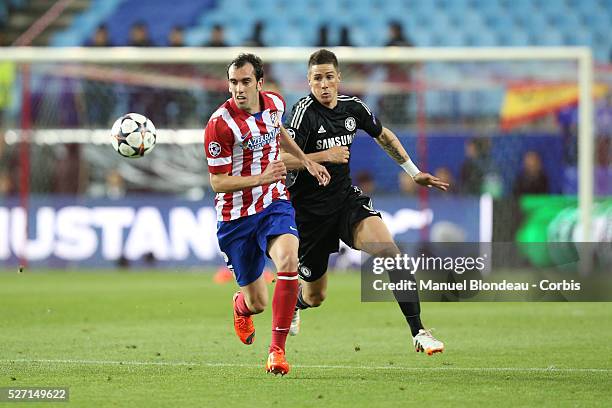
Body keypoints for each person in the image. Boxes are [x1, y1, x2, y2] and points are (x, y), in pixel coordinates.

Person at [281, 49, 449, 355]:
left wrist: (413, 172)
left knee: (391, 252)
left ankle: (419, 331)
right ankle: (296, 302)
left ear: (339, 78)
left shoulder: (353, 108)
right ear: (309, 81)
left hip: (346, 202)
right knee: (316, 296)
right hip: (310, 215)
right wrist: (323, 157)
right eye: (317, 78)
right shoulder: (302, 114)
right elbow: (280, 160)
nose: (324, 84)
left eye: (329, 77)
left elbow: (384, 136)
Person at [204, 53, 330, 375]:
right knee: (257, 302)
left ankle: (277, 351)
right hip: (236, 218)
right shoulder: (220, 125)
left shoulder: (274, 103)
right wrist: (260, 177)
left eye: (246, 82)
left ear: (260, 83)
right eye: (233, 82)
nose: (239, 89)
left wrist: (306, 160)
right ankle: (240, 306)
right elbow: (217, 182)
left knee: (288, 259)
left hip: (274, 201)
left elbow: (279, 132)